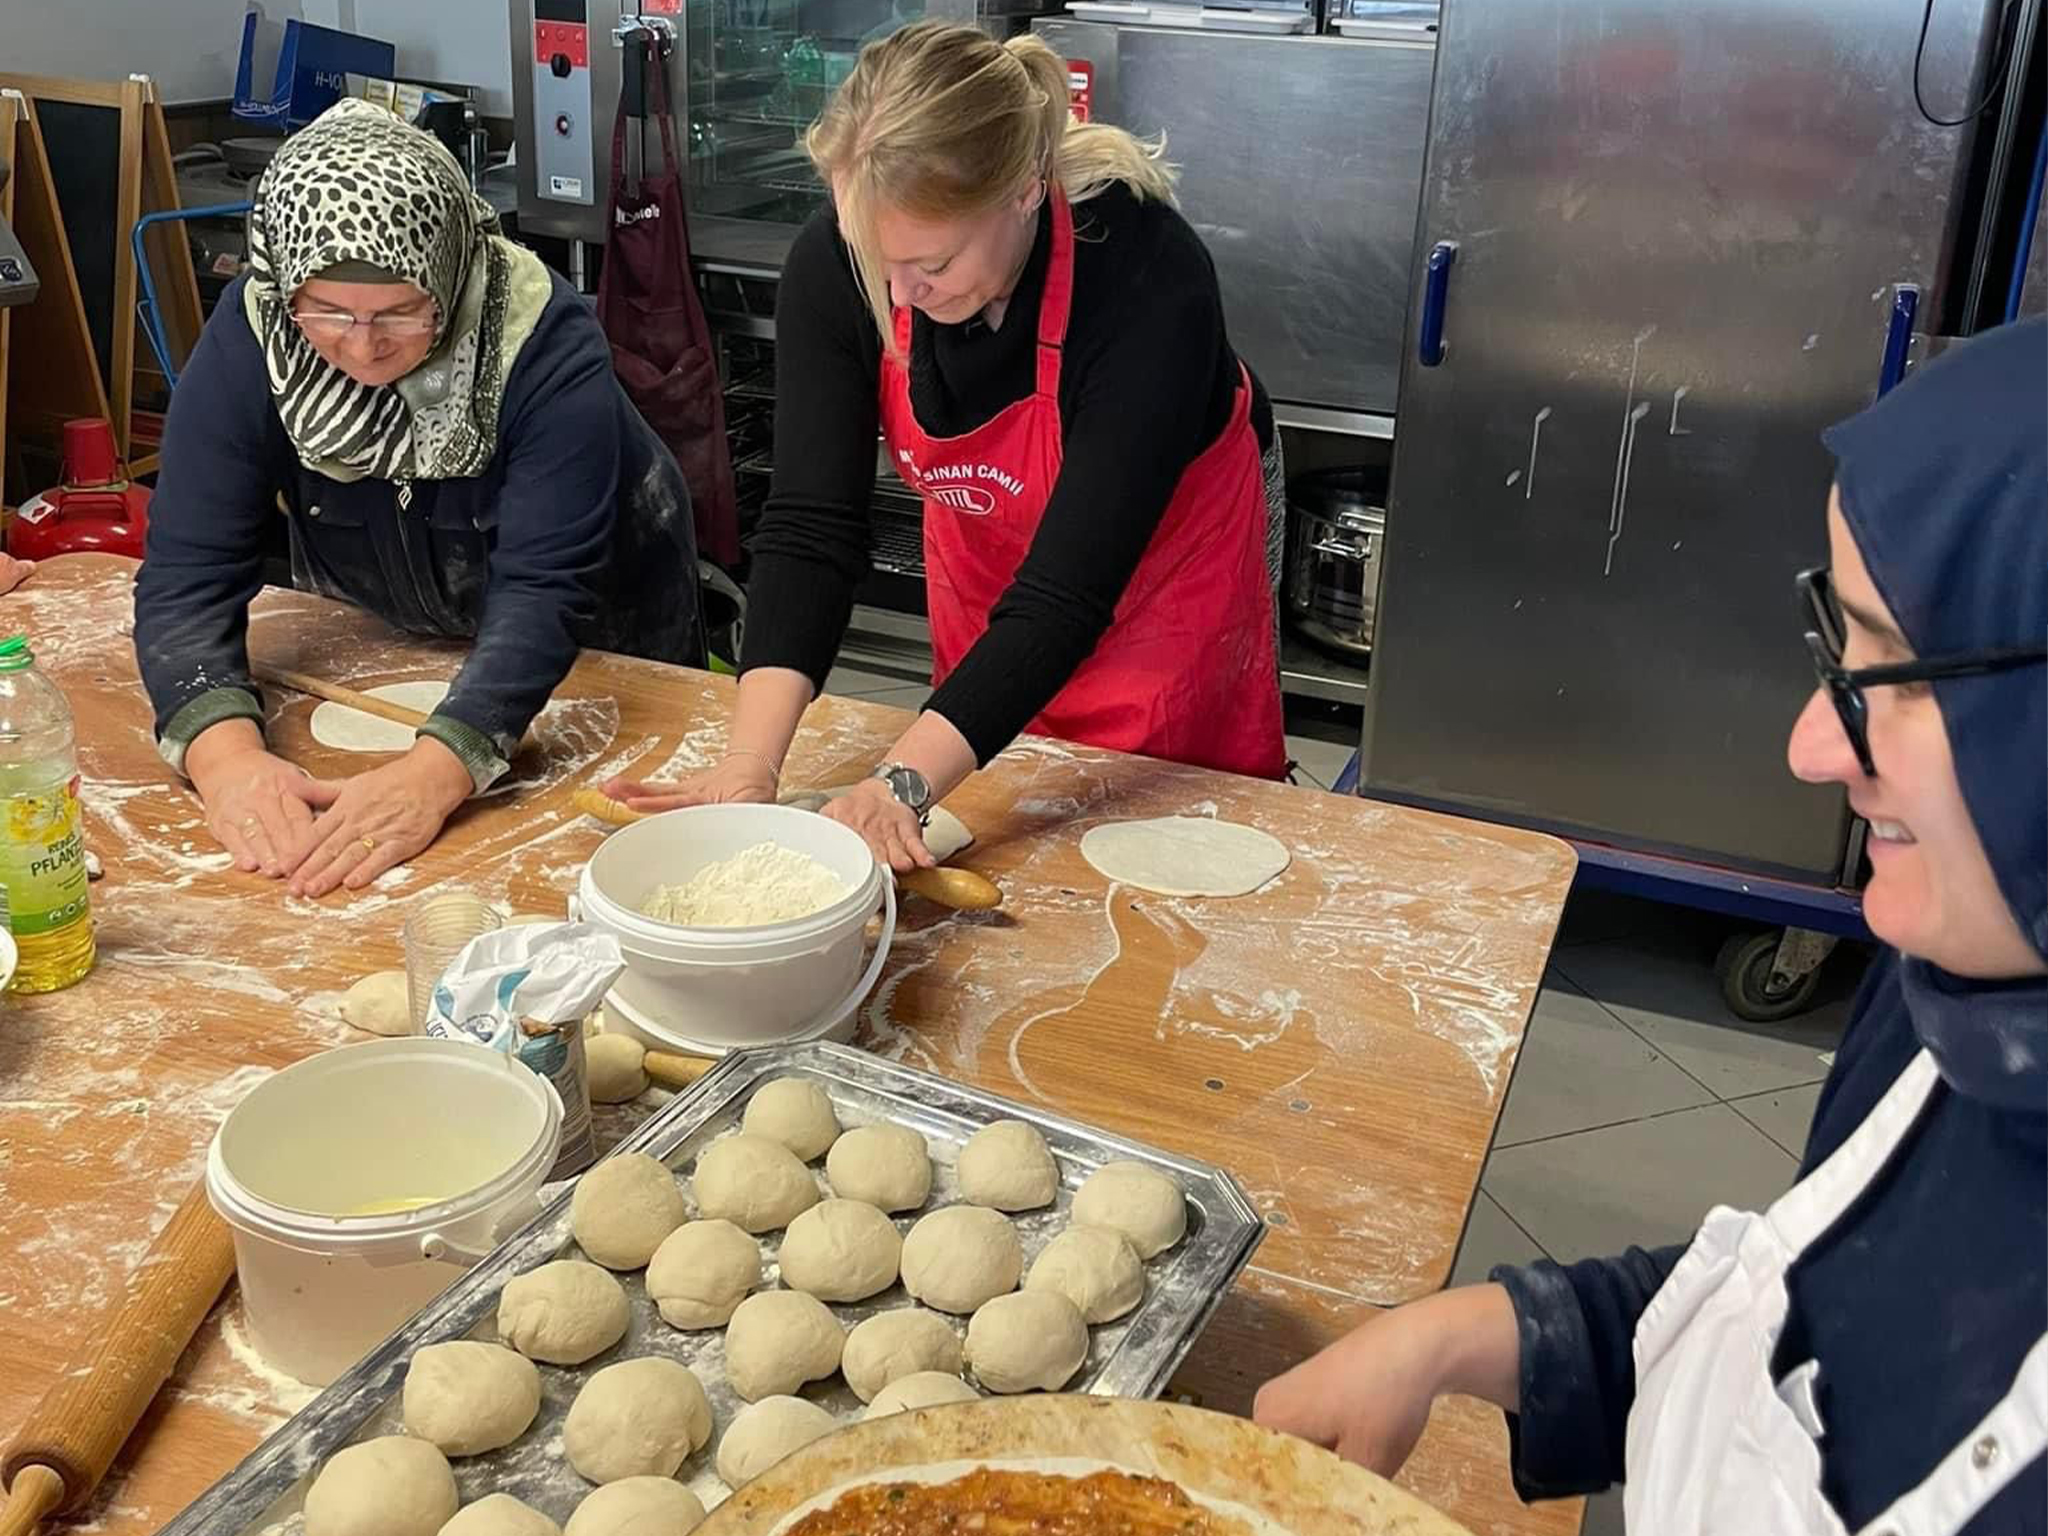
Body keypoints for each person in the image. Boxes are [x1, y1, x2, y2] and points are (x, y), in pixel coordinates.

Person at [1254, 317, 2047, 1533]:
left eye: (1890, 674)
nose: (1805, 745)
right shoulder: (1965, 983)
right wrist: (1469, 1337)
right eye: (1832, 635)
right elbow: (1807, 1312)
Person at [606, 22, 1285, 870]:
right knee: (1016, 839)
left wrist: (903, 781)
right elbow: (813, 526)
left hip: (1165, 599)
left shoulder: (1146, 276)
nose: (900, 294)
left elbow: (1068, 593)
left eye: (932, 262)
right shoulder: (845, 262)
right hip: (997, 593)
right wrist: (749, 766)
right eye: (876, 258)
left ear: (1026, 190)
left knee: (1172, 878)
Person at [135, 100, 701, 898]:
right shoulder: (258, 331)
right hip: (388, 628)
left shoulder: (542, 339)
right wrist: (225, 758)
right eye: (327, 311)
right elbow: (189, 567)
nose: (362, 345)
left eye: (400, 312)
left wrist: (438, 773)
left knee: (598, 868)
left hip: (595, 634)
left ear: (446, 272)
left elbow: (544, 589)